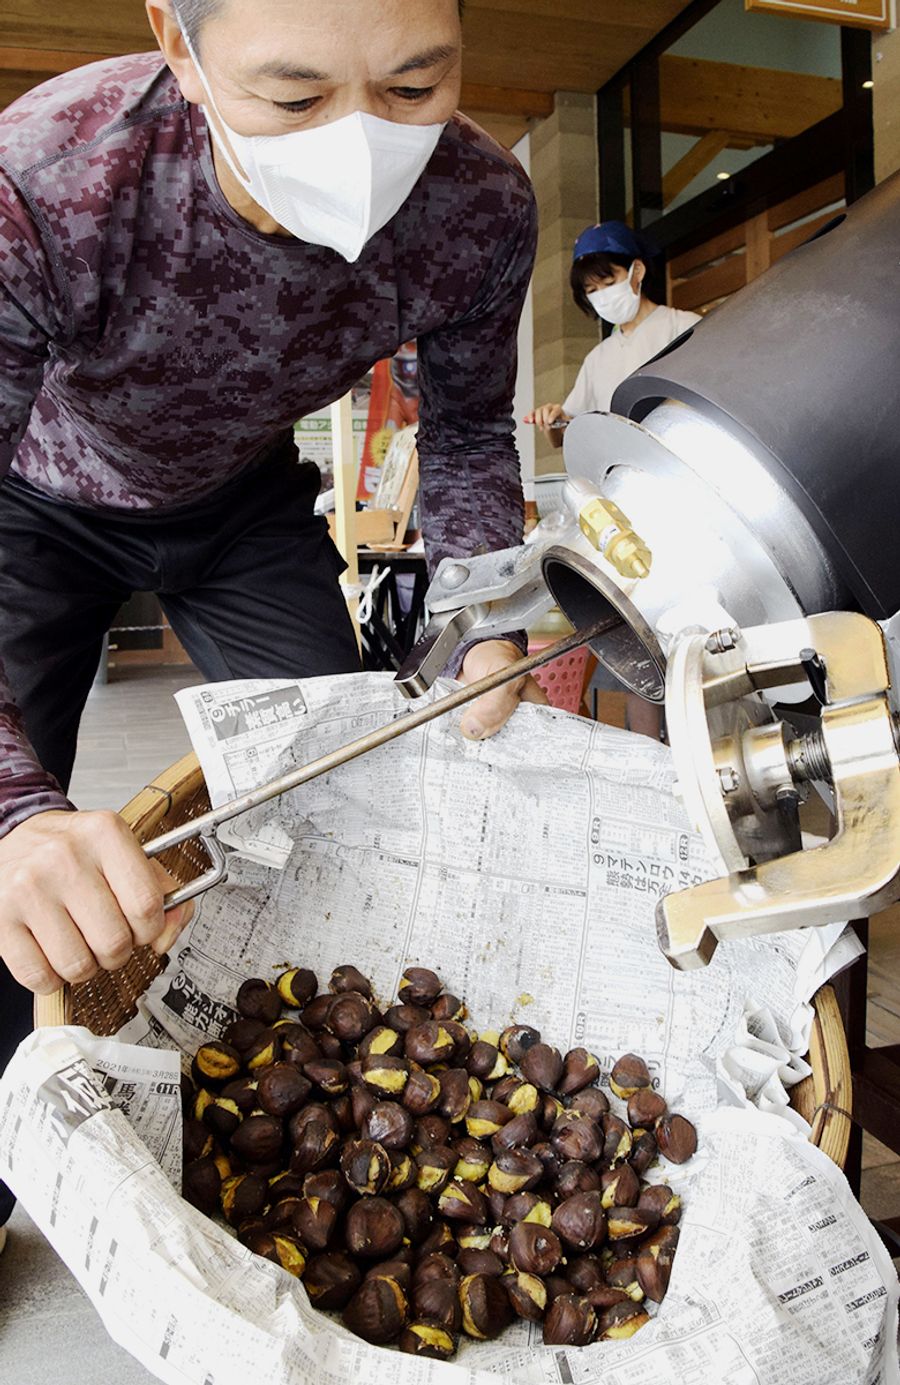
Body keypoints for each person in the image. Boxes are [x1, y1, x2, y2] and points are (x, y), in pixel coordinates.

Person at [0, 0, 542, 1241]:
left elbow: (462, 431)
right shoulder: (50, 178)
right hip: (31, 502)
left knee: (335, 782)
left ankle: (342, 1122)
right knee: (25, 873)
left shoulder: (479, 208)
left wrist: (479, 612)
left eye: (415, 86)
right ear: (178, 48)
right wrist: (15, 818)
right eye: (294, 100)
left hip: (243, 505)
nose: (360, 142)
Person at [525, 221, 699, 738]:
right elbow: (572, 431)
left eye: (608, 281)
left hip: (687, 502)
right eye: (591, 290)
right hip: (627, 513)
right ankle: (649, 760)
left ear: (637, 272)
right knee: (641, 639)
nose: (601, 296)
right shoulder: (599, 358)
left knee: (696, 640)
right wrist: (558, 416)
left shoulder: (684, 328)